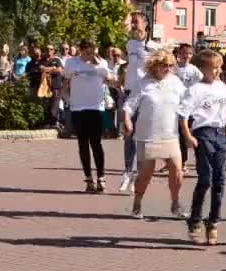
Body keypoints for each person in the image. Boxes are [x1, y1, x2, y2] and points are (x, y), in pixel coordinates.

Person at [179, 49, 226, 245]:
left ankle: (213, 221)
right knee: (205, 179)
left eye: (219, 67)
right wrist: (188, 136)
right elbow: (183, 115)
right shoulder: (195, 89)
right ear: (202, 69)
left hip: (220, 134)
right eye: (213, 68)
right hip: (203, 133)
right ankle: (195, 220)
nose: (217, 72)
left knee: (220, 181)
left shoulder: (222, 87)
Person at [123, 49, 189, 219]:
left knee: (177, 171)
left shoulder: (175, 82)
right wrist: (127, 120)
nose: (168, 69)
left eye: (170, 66)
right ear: (154, 66)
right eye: (164, 66)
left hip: (170, 134)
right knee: (145, 174)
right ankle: (137, 203)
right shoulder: (144, 83)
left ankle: (176, 204)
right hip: (147, 135)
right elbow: (129, 105)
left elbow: (187, 101)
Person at [63, 39, 111, 193]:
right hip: (78, 108)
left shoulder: (101, 63)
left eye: (92, 51)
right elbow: (66, 79)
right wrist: (67, 100)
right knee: (82, 144)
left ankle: (101, 177)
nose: (89, 54)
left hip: (96, 108)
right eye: (86, 51)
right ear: (80, 50)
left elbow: (108, 76)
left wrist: (95, 61)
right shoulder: (72, 63)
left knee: (96, 143)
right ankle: (88, 177)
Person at [119, 12, 155, 192]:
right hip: (129, 92)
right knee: (128, 135)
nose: (132, 25)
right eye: (131, 21)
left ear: (146, 24)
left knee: (142, 138)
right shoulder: (130, 44)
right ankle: (127, 171)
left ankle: (138, 176)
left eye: (136, 22)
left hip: (145, 95)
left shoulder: (154, 47)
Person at [175, 43, 204, 174]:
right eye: (184, 53)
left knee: (192, 135)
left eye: (189, 53)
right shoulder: (173, 69)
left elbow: (204, 82)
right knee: (177, 136)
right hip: (175, 106)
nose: (186, 56)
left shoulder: (194, 70)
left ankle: (198, 162)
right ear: (178, 54)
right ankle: (179, 162)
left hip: (190, 107)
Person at [43, 44, 65, 127]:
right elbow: (41, 68)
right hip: (46, 86)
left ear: (53, 51)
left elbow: (59, 69)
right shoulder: (43, 60)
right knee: (47, 104)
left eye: (51, 49)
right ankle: (48, 122)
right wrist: (52, 68)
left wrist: (47, 70)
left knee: (55, 104)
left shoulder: (57, 60)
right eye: (47, 49)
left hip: (56, 85)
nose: (49, 51)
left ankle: (54, 122)